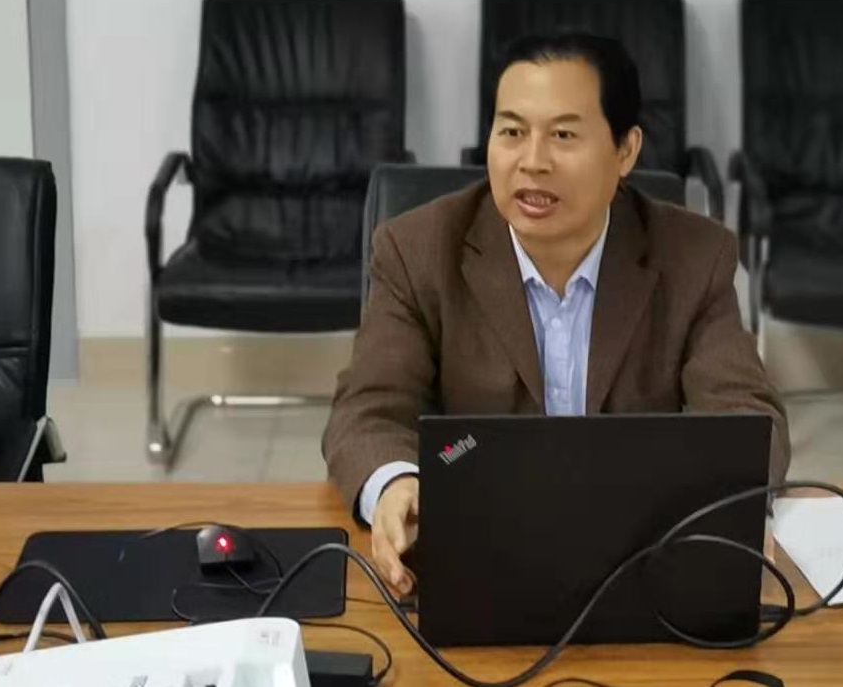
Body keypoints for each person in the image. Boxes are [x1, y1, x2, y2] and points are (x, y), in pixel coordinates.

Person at [323, 33, 789, 597]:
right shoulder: (416, 250)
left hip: (641, 568)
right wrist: (397, 483)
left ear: (625, 151)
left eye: (564, 135)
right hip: (482, 564)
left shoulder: (694, 256)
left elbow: (745, 420)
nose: (532, 162)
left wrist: (728, 508)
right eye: (512, 132)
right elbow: (367, 411)